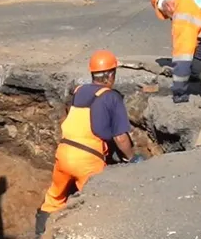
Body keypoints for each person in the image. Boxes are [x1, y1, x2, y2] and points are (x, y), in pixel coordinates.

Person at [34, 50, 141, 236]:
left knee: (54, 196)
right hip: (87, 160)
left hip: (64, 153)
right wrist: (132, 158)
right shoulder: (111, 97)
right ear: (110, 75)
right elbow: (120, 137)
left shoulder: (79, 91)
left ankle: (40, 233)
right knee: (95, 202)